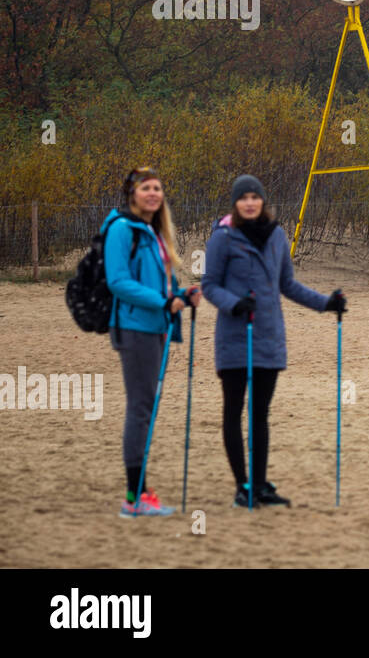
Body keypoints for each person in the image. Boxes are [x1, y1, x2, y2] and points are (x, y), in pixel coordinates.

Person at [202, 175, 346, 509]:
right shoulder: (223, 238)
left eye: (255, 197)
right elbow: (209, 285)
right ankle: (243, 486)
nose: (249, 202)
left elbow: (288, 285)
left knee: (260, 414)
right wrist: (234, 303)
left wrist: (327, 303)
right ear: (235, 203)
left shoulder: (277, 235)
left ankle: (260, 483)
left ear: (263, 201)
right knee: (233, 411)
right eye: (243, 198)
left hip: (268, 337)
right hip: (236, 338)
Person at [103, 166, 200, 518]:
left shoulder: (152, 232)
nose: (153, 194)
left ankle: (141, 489)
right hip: (135, 328)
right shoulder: (121, 230)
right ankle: (134, 496)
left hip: (156, 328)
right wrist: (163, 302)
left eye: (158, 188)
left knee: (147, 409)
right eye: (146, 188)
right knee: (140, 409)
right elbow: (117, 281)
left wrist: (180, 294)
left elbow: (157, 285)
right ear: (132, 193)